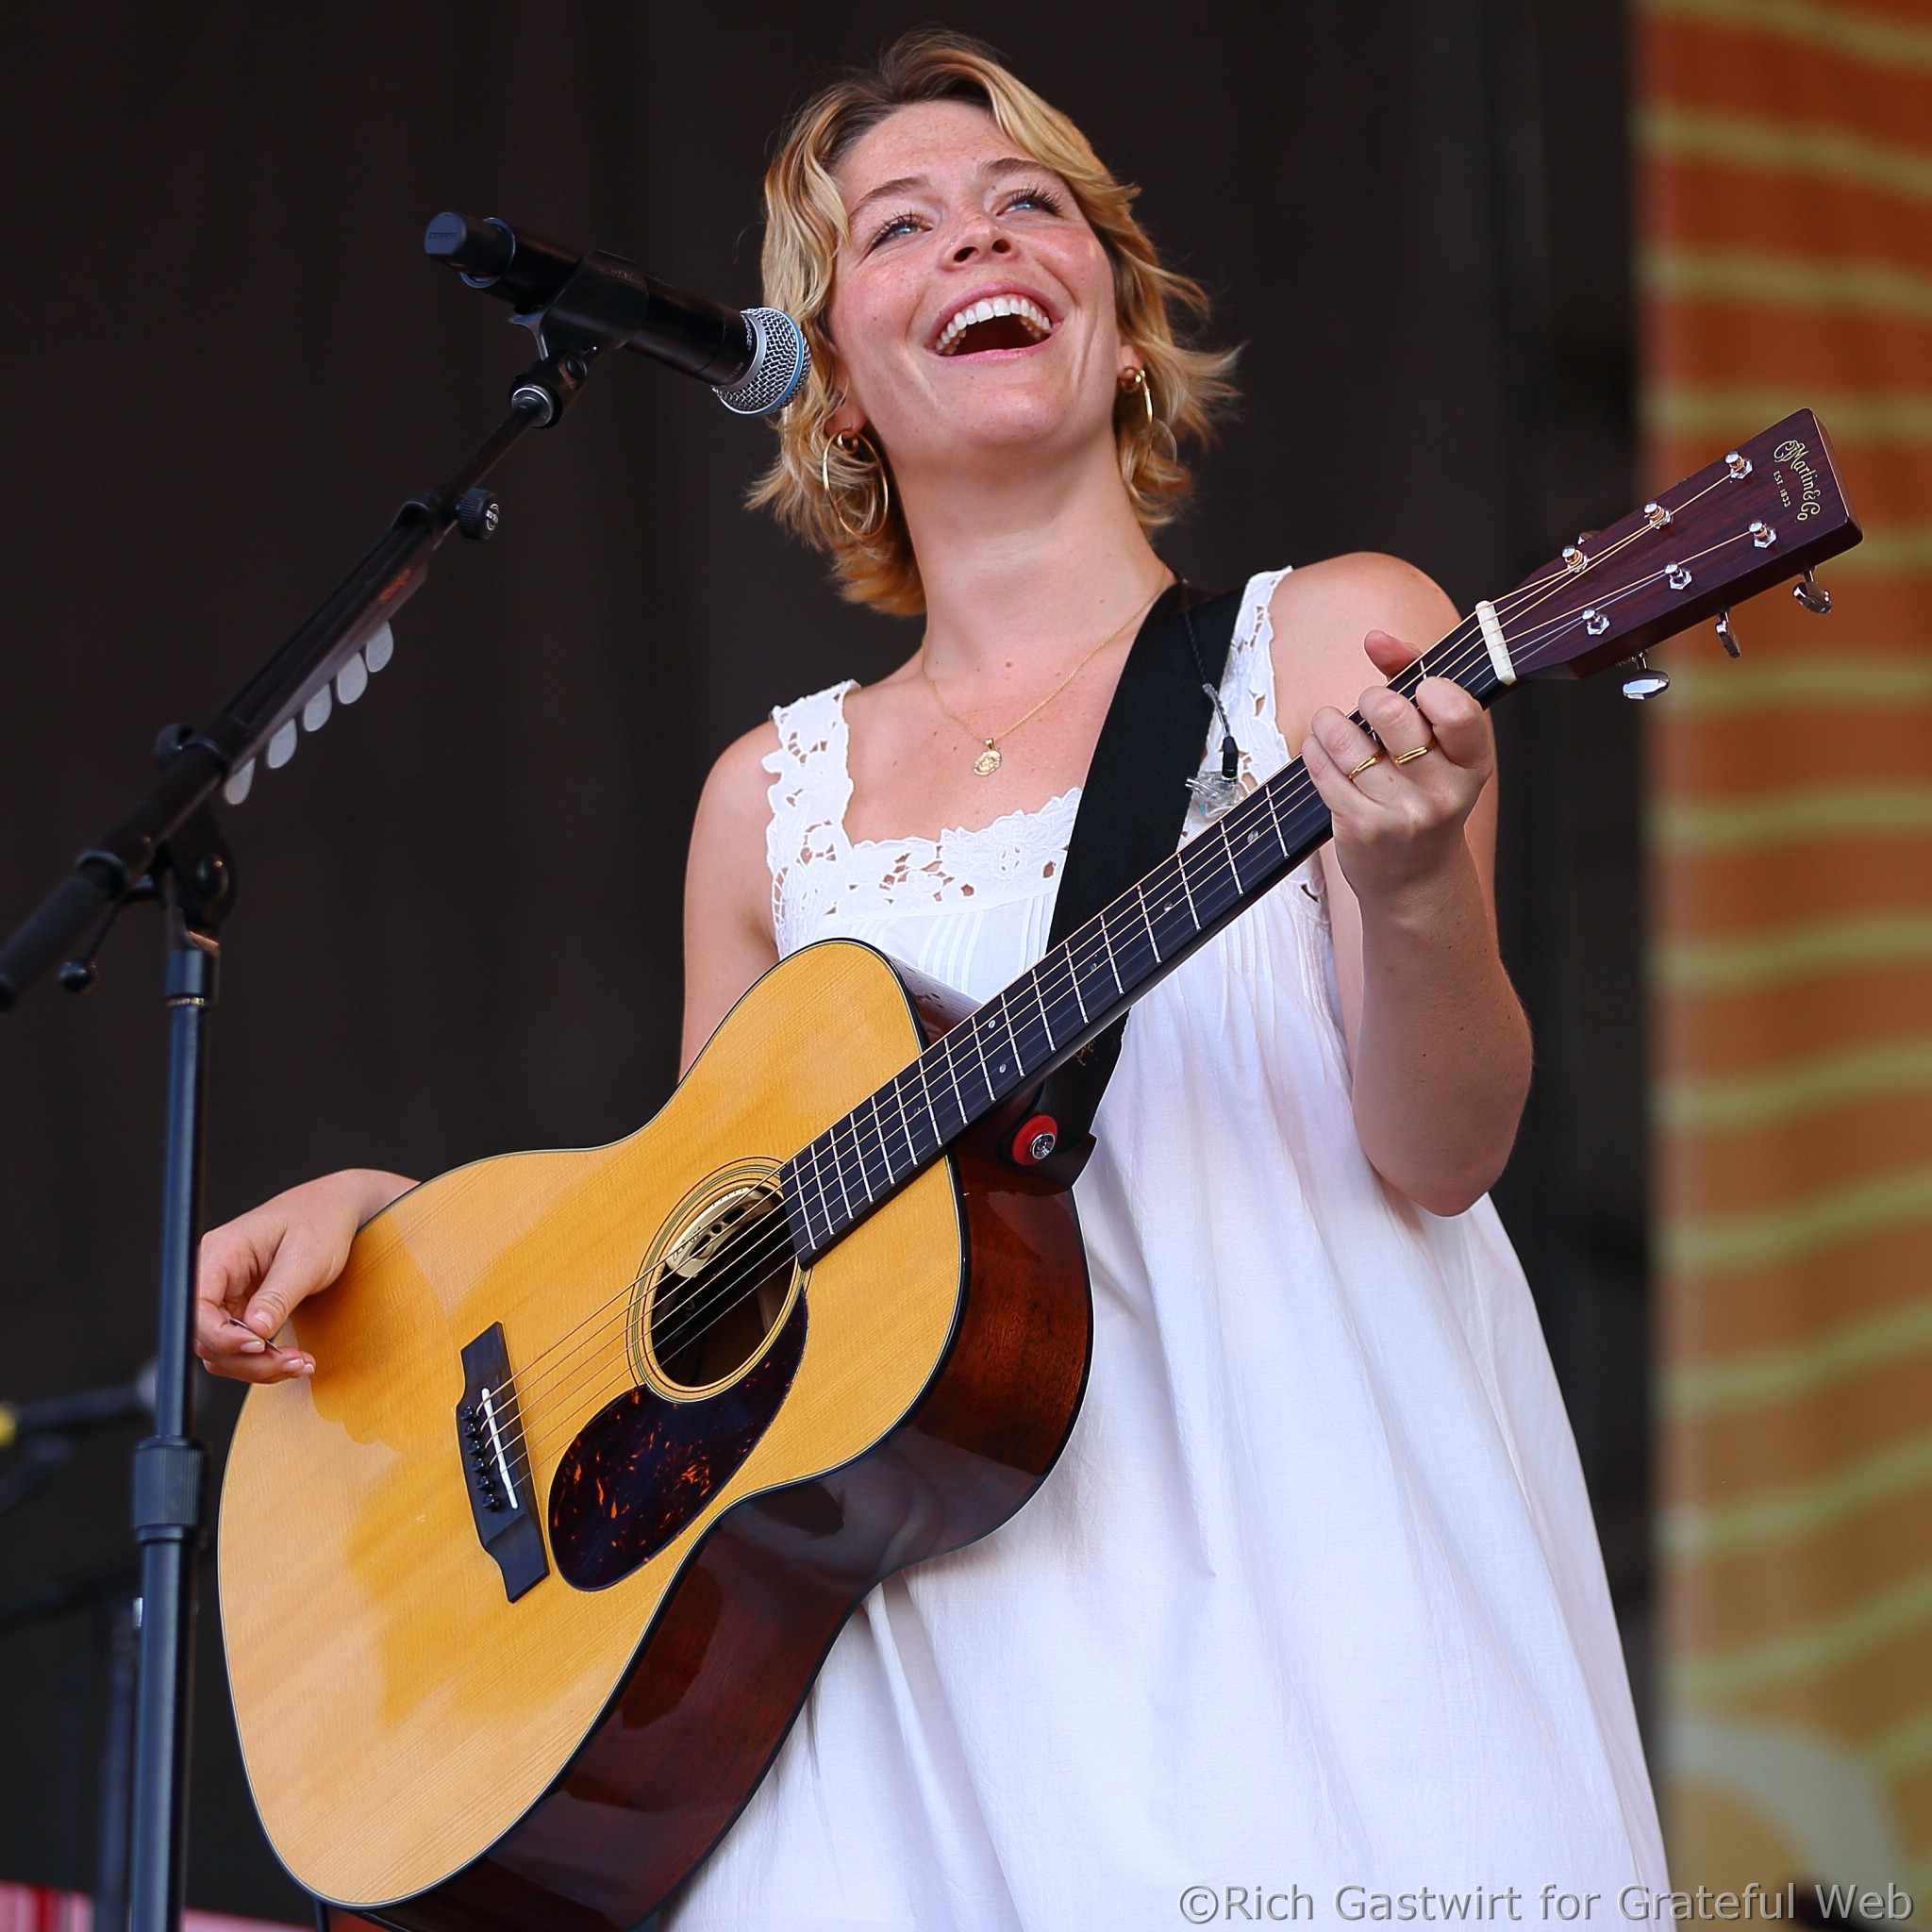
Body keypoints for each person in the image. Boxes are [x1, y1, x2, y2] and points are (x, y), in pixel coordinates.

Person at [196, 31, 1666, 1929]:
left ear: (1119, 323)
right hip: (916, 1685)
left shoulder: (1325, 644)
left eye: (1028, 206)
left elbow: (1445, 1149)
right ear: (831, 391)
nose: (978, 240)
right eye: (897, 228)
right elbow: (690, 1243)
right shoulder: (767, 803)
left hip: (1310, 1576)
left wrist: (1402, 892)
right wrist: (396, 1241)